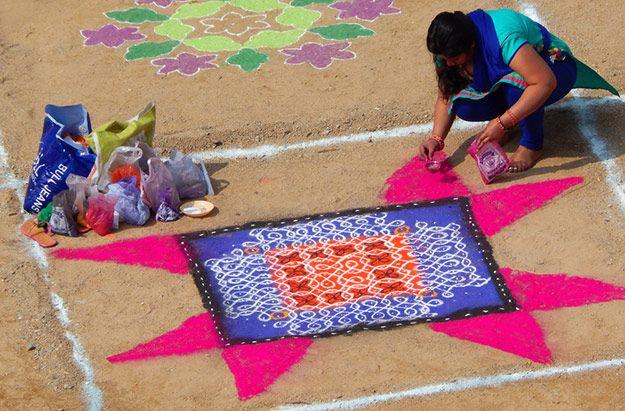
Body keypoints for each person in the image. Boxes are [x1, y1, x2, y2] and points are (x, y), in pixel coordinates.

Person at [418, 9, 618, 172]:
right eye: (443, 58)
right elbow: (446, 95)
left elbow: (544, 82)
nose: (447, 63)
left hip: (554, 67)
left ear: (470, 45)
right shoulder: (448, 51)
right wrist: (436, 138)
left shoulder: (503, 38)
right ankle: (512, 119)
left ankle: (532, 145)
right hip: (515, 78)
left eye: (452, 58)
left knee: (520, 84)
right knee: (465, 106)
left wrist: (502, 122)